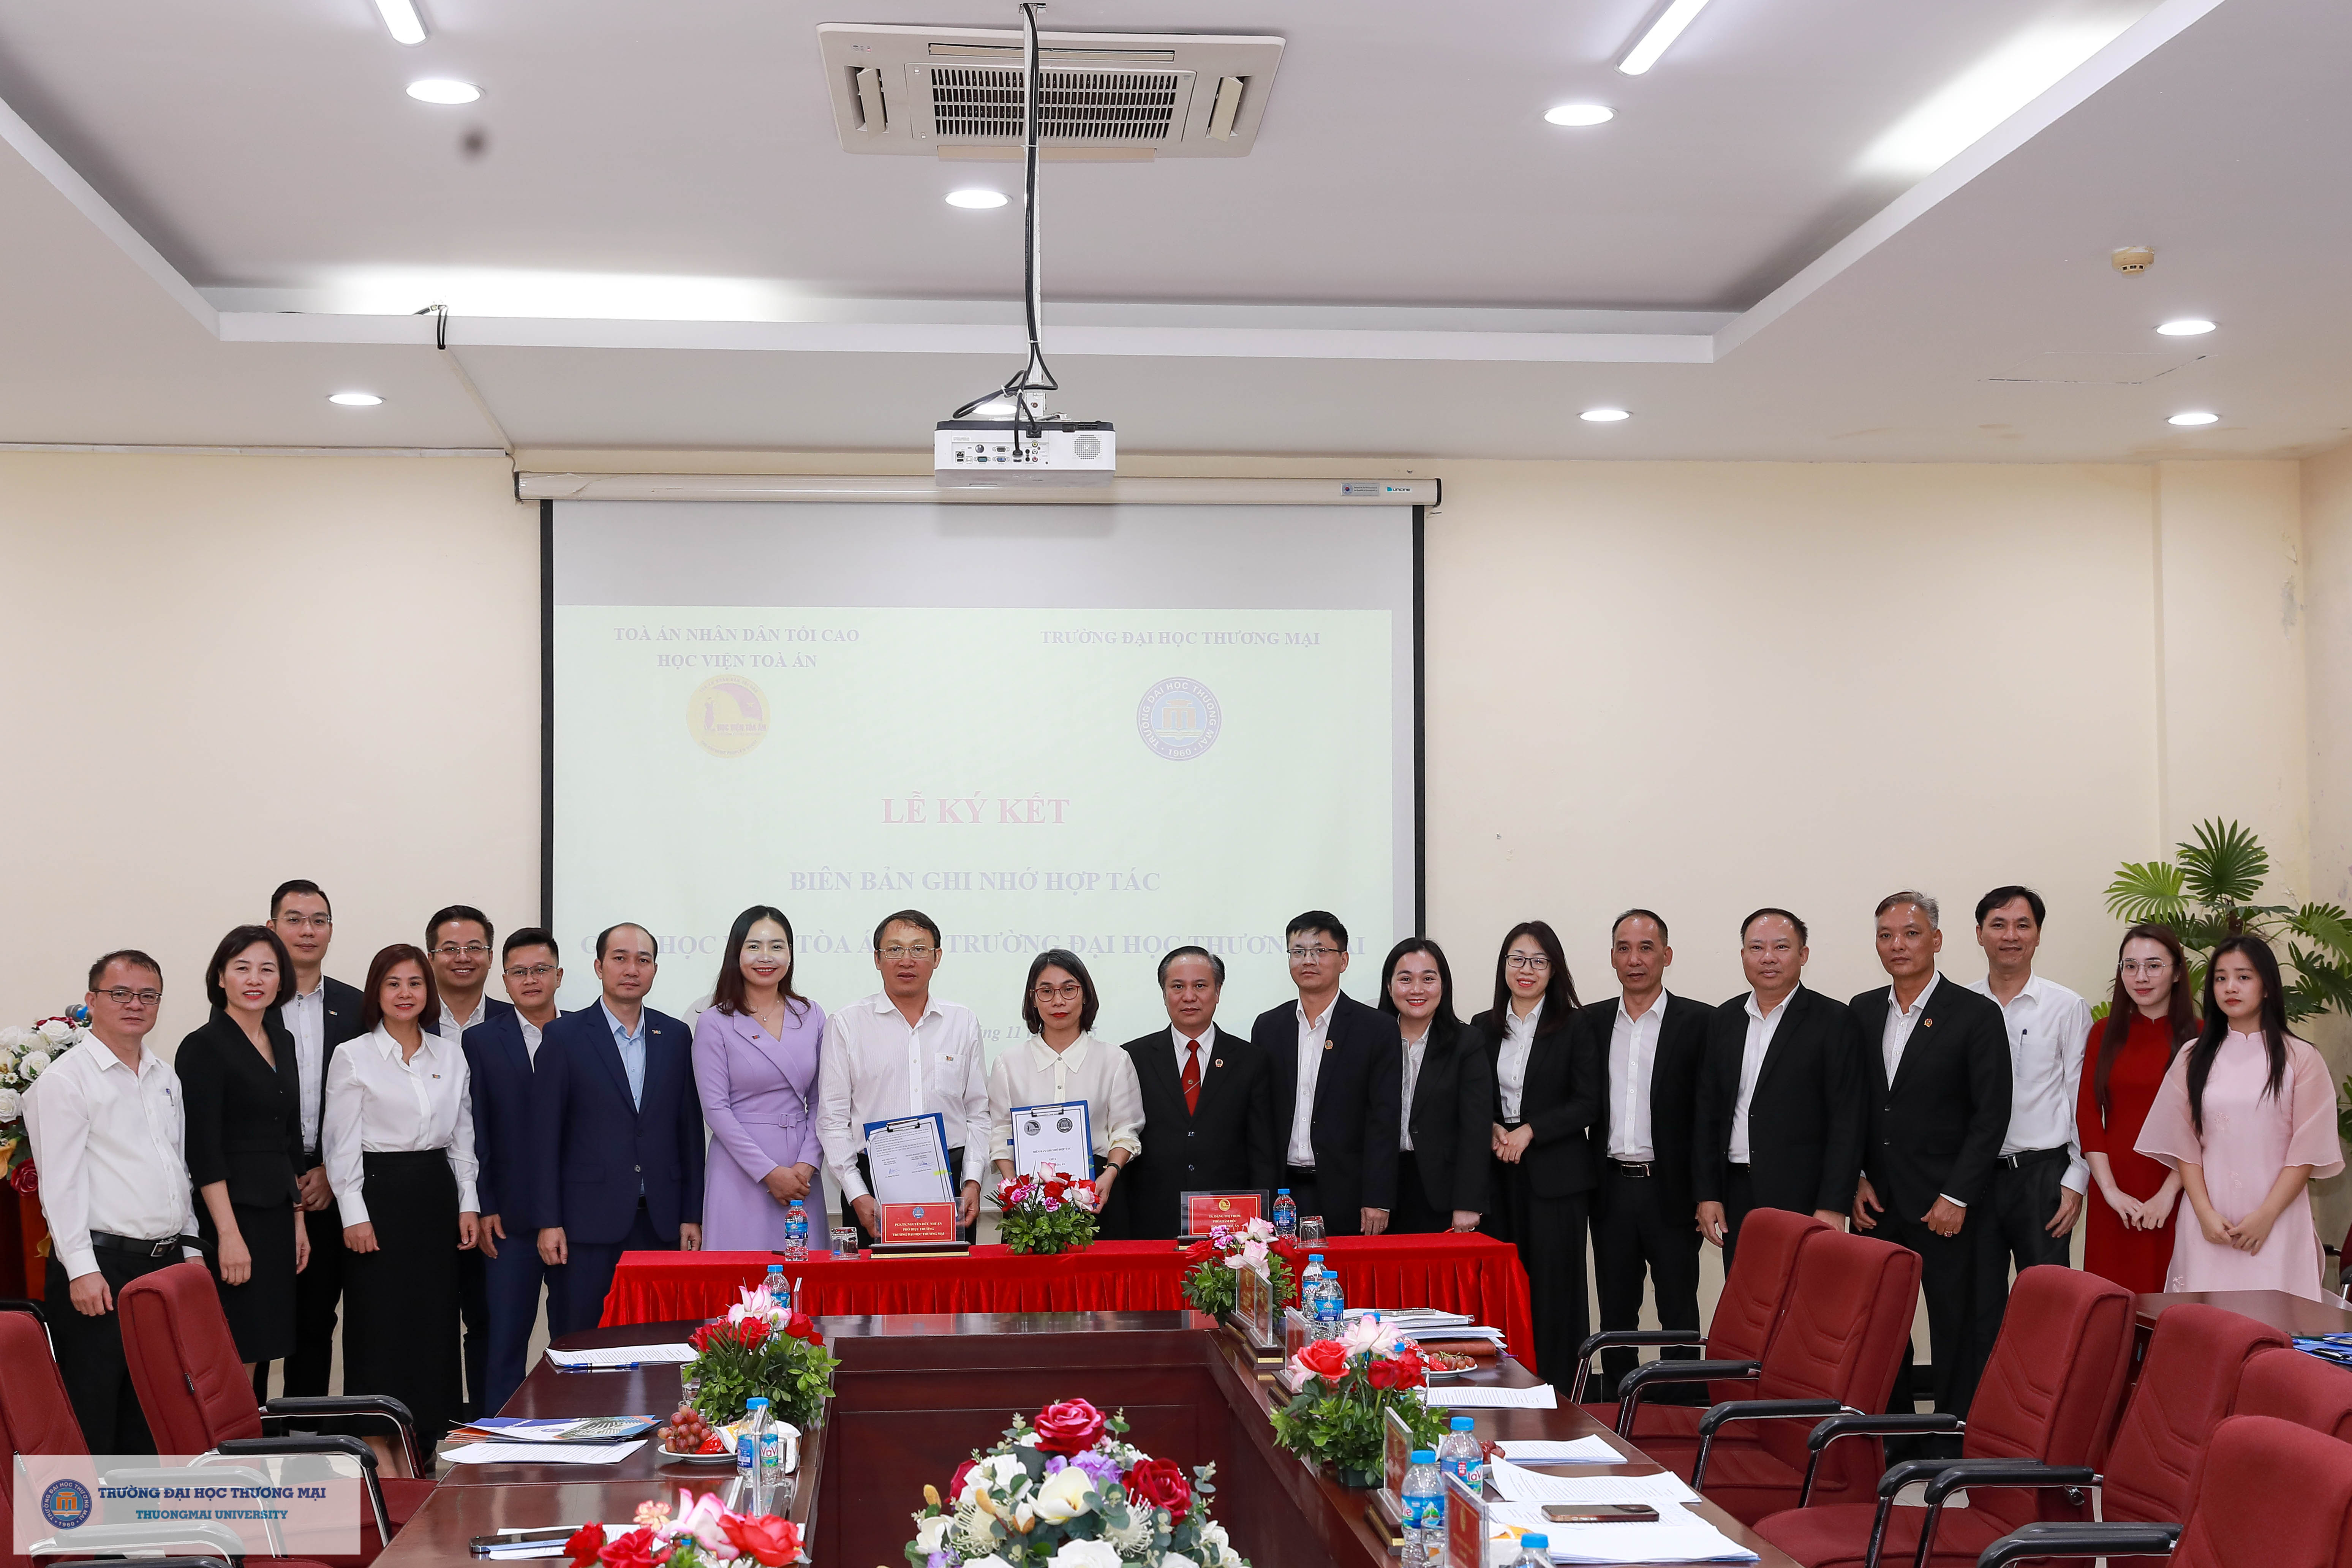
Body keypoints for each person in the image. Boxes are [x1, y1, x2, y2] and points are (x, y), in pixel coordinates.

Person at [21, 951, 192, 1451]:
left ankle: (142, 1505)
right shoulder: (65, 1080)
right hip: (101, 1267)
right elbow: (61, 1185)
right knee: (93, 1412)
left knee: (154, 1411)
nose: (135, 1004)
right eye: (120, 994)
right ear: (92, 1001)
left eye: (148, 995)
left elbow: (177, 1170)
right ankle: (87, 1507)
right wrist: (80, 1268)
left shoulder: (164, 1076)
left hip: (164, 1264)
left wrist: (192, 1253)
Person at [1850, 892, 2012, 1419]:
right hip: (1877, 1204)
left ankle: (1952, 1439)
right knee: (1880, 1329)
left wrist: (1957, 1195)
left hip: (1946, 1207)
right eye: (1886, 936)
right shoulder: (1861, 1010)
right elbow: (1851, 1105)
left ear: (1936, 941)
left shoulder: (1975, 1014)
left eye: (1911, 933)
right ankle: (1892, 1437)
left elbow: (1991, 1115)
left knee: (1956, 1327)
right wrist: (1855, 1178)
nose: (1898, 945)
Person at [325, 944, 479, 1449]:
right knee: (380, 1329)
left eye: (415, 983)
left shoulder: (450, 1054)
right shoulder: (353, 1056)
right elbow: (341, 1145)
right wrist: (353, 1213)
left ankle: (428, 1443)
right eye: (393, 983)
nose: (405, 993)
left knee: (434, 1325)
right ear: (377, 992)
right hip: (379, 1199)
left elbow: (462, 1138)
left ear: (428, 992)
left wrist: (468, 1203)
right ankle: (379, 1446)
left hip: (435, 1197)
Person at [2135, 934, 2343, 1302]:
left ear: (2267, 987)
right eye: (2220, 978)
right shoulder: (2192, 1056)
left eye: (2244, 977)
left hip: (2277, 1221)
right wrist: (2203, 1213)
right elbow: (2184, 1145)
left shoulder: (2301, 1058)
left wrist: (2267, 1216)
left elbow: (2306, 1151)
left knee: (2275, 1324)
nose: (2230, 987)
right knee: (2206, 1326)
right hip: (2208, 1222)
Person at [532, 923, 703, 1336]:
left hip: (661, 1223)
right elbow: (544, 1138)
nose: (632, 969)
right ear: (599, 966)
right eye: (620, 958)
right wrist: (549, 1221)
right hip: (585, 1224)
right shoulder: (564, 1036)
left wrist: (691, 1215)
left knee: (661, 1343)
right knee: (583, 1341)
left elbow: (689, 1132)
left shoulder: (675, 1036)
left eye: (643, 960)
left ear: (655, 970)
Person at [1575, 910, 1710, 1400]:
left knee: (1678, 1308)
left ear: (1666, 956)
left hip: (1671, 1189)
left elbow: (1708, 1116)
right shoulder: (1589, 1022)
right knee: (1616, 1311)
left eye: (1647, 948)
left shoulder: (1700, 1022)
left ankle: (1683, 1411)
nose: (1635, 959)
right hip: (1610, 1187)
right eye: (1624, 948)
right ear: (1613, 957)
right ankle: (1620, 1409)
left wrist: (1707, 1193)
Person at [1964, 886, 2093, 1369]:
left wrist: (2076, 1179)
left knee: (2048, 1306)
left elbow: (2081, 1098)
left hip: (2043, 1178)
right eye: (1998, 925)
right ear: (1979, 934)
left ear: (2038, 936)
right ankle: (1980, 1410)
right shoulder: (1960, 1006)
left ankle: (2042, 1409)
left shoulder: (2067, 1006)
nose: (2010, 936)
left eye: (2023, 925)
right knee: (1979, 1310)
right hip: (1974, 1181)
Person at [175, 925, 307, 1388]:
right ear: (220, 977)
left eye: (267, 969)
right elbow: (202, 1150)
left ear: (281, 979)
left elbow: (289, 1137)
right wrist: (228, 1236)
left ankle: (252, 1430)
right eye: (242, 968)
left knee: (266, 1343)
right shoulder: (203, 1047)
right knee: (234, 1347)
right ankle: (228, 1434)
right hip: (230, 1216)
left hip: (276, 1214)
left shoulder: (282, 1039)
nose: (255, 979)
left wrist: (298, 1218)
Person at [1694, 909, 1863, 1265]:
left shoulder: (1834, 1020)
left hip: (1805, 1196)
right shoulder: (1723, 1020)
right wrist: (1709, 1194)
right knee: (1745, 1293)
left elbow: (1848, 1120)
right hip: (1736, 1192)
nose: (1768, 957)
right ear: (1743, 955)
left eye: (1781, 947)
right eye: (1757, 947)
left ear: (1803, 954)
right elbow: (1708, 1113)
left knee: (1804, 1294)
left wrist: (1833, 1205)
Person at [814, 910, 989, 1247]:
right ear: (877, 959)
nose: (906, 960)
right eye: (894, 949)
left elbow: (978, 1113)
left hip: (950, 1181)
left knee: (948, 1281)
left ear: (937, 957)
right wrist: (856, 1193)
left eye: (919, 949)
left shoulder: (962, 1022)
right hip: (872, 1185)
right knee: (876, 1282)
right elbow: (832, 1120)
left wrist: (973, 1181)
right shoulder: (847, 1024)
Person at [1470, 920, 1592, 1389]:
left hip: (1556, 1178)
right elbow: (1470, 1095)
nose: (1527, 969)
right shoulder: (1482, 1026)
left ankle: (1560, 1391)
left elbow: (1588, 1102)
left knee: (1554, 1292)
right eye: (1517, 959)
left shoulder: (1576, 1025)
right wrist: (1492, 1127)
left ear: (1554, 969)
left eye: (1539, 961)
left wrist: (1531, 1131)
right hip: (1497, 1176)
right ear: (1504, 966)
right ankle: (1503, 1389)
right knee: (1502, 1289)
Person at [267, 879, 367, 1409]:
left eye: (319, 920)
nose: (307, 930)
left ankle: (307, 1436)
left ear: (331, 930)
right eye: (294, 919)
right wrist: (283, 1177)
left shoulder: (357, 1007)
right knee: (259, 1322)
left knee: (316, 1319)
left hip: (334, 1181)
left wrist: (332, 1169)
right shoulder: (248, 1002)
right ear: (272, 928)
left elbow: (375, 1099)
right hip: (265, 1184)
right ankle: (251, 1439)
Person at [462, 927, 564, 1418]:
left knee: (574, 1342)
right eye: (519, 972)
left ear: (559, 976)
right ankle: (497, 1442)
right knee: (504, 1341)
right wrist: (484, 1205)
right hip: (507, 1220)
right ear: (504, 980)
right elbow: (474, 1130)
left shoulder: (583, 1034)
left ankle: (574, 1435)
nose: (531, 980)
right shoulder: (480, 1041)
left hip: (574, 1217)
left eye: (541, 970)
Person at [1254, 911, 1402, 1238]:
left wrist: (1378, 1197)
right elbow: (1261, 1117)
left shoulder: (1375, 1029)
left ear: (1344, 960)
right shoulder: (1269, 1027)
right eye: (1298, 951)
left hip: (1349, 1192)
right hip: (1281, 1193)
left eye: (1320, 950)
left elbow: (1384, 1119)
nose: (1308, 960)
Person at [1115, 946, 1277, 1240]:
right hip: (1152, 1221)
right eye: (1178, 987)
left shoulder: (1250, 1060)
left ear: (1218, 991)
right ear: (1164, 993)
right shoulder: (1132, 1057)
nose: (1189, 997)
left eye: (1200, 986)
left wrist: (1262, 1226)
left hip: (1229, 1223)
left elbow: (1262, 1152)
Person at [694, 906, 827, 1250]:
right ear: (736, 953)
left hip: (801, 1171)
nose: (765, 957)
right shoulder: (714, 1022)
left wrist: (807, 1164)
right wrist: (769, 1173)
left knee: (804, 1273)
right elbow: (716, 1110)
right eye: (754, 946)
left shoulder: (812, 1015)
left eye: (776, 946)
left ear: (790, 954)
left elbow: (822, 1101)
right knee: (739, 1274)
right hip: (740, 1168)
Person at [2075, 923, 2197, 1293]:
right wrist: (2109, 1191)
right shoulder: (2103, 1033)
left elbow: (2204, 1125)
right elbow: (2087, 1114)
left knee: (2171, 1303)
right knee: (2110, 1302)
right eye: (2130, 966)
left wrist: (2168, 1193)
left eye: (2154, 966)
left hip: (2179, 1188)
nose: (2140, 977)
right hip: (2113, 1190)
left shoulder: (2202, 1037)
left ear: (2177, 973)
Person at [425, 904, 512, 1416]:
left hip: (495, 1198)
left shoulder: (515, 1019)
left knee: (489, 1320)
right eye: (450, 948)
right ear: (432, 956)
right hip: (425, 1192)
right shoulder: (405, 1017)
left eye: (475, 947)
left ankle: (484, 1426)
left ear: (491, 956)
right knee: (428, 1321)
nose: (463, 958)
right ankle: (431, 1430)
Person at [987, 950, 1144, 1218]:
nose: (1058, 1001)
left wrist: (1110, 1175)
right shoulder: (1008, 1063)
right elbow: (1000, 1132)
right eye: (1046, 991)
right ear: (1033, 999)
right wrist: (1015, 1188)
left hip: (1096, 1192)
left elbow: (1125, 1131)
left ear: (1086, 995)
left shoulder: (1114, 1060)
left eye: (1069, 990)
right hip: (1029, 1198)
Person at [1376, 938, 1490, 1234]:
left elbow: (1476, 1129)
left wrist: (1468, 1202)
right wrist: (1371, 1195)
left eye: (1428, 979)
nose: (1417, 989)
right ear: (1389, 986)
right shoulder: (1370, 1041)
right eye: (1405, 979)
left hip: (1441, 1194)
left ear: (1444, 986)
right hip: (1378, 1193)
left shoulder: (1467, 1043)